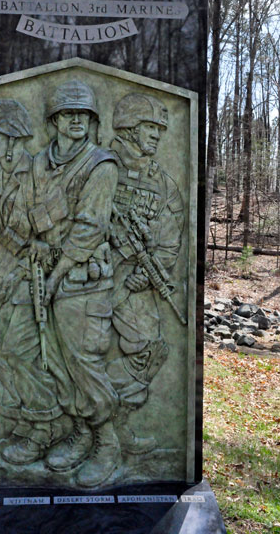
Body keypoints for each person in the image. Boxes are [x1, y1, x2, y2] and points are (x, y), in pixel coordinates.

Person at [17, 79, 120, 488]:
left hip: (83, 282)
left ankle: (107, 442)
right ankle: (81, 431)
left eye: (83, 114)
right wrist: (39, 248)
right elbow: (32, 213)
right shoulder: (40, 162)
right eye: (68, 113)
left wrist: (57, 276)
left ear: (92, 120)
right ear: (55, 119)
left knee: (84, 364)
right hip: (46, 277)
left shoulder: (101, 165)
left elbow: (89, 228)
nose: (76, 120)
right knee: (55, 362)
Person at [0, 99, 71, 465]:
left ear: (12, 139)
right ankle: (29, 417)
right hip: (13, 274)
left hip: (41, 278)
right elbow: (5, 235)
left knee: (20, 351)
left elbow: (62, 210)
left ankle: (47, 426)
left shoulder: (40, 168)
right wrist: (21, 242)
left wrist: (34, 237)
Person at [106, 92, 184, 454]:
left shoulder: (163, 183)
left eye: (159, 129)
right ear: (129, 127)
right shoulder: (99, 166)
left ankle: (111, 428)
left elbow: (170, 238)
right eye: (149, 127)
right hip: (87, 279)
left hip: (134, 283)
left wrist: (147, 273)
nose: (156, 135)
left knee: (152, 350)